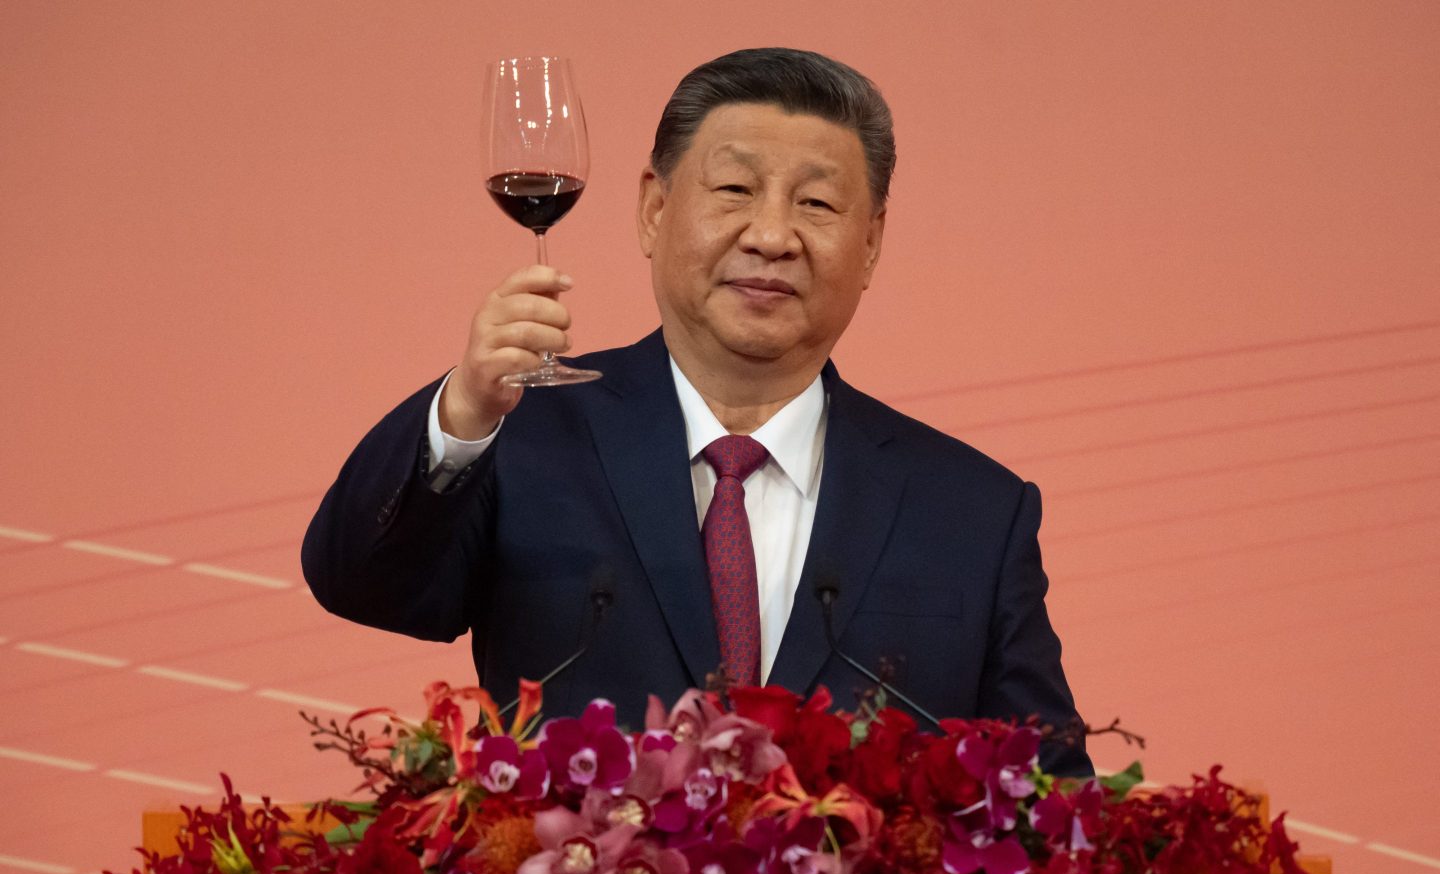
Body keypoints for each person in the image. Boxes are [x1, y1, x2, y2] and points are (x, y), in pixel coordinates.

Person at [302, 48, 1092, 776]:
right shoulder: (524, 438)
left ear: (872, 244)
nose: (773, 235)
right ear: (654, 209)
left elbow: (1055, 798)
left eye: (817, 202)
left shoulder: (974, 513)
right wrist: (466, 409)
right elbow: (362, 584)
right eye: (735, 190)